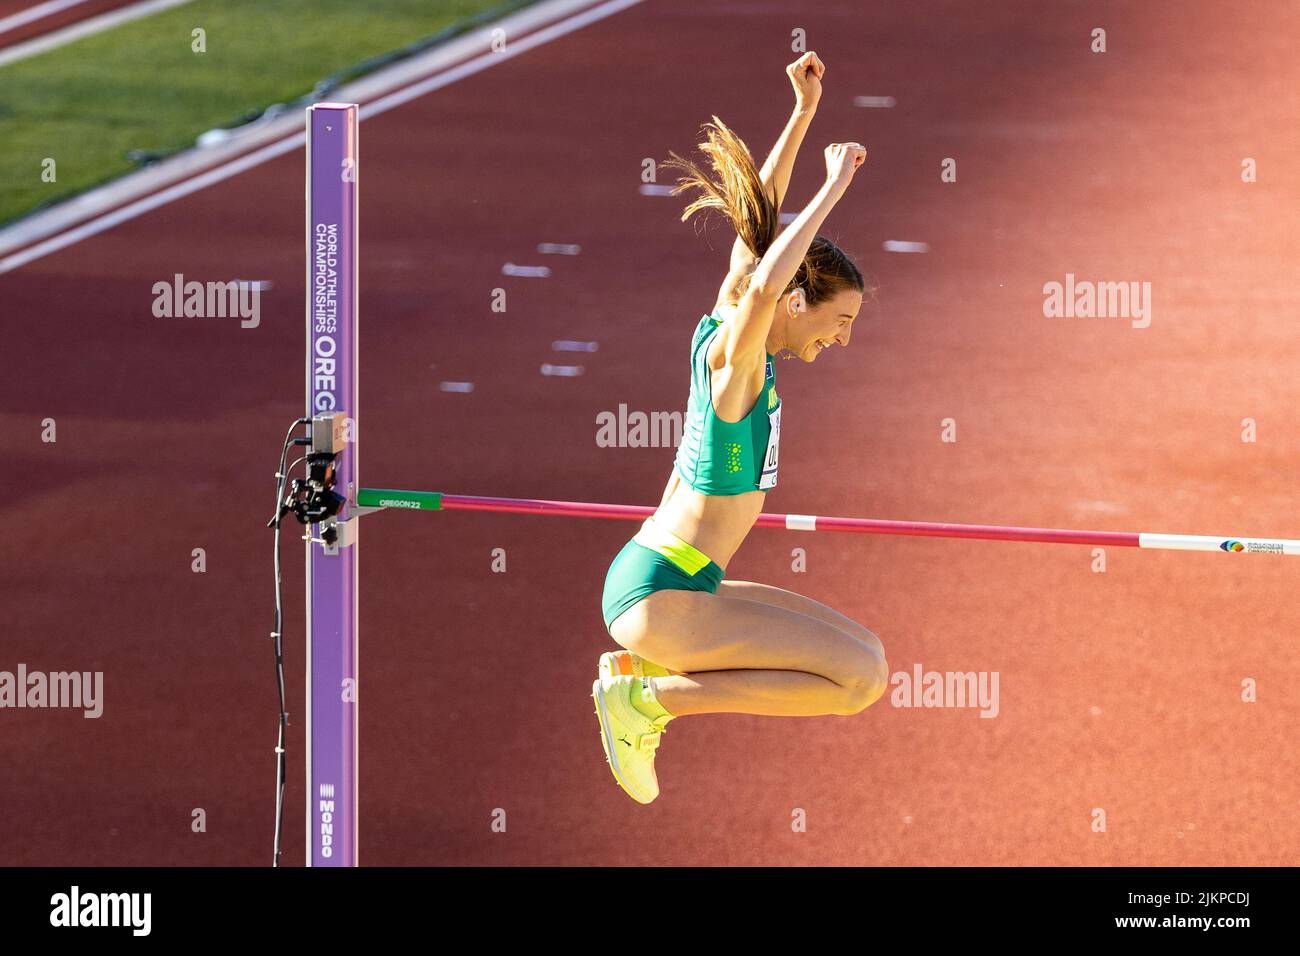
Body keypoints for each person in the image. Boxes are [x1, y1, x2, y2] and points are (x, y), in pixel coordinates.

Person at [592, 52, 888, 804]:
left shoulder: (729, 323)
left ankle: (645, 679)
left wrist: (802, 113)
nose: (844, 339)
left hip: (678, 577)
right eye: (841, 320)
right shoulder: (739, 366)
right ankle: (649, 700)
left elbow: (756, 234)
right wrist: (835, 186)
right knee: (858, 681)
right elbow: (765, 284)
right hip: (659, 592)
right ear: (797, 302)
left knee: (867, 654)